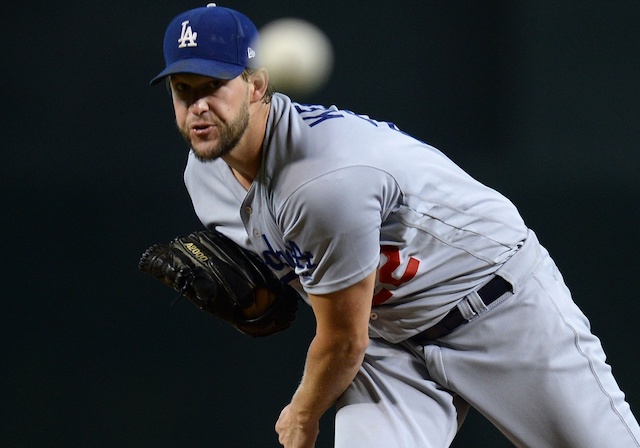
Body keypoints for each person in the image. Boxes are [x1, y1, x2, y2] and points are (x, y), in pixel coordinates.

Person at [150, 4, 640, 448]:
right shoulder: (205, 179)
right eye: (183, 89)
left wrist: (303, 415)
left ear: (256, 87)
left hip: (495, 307)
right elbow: (296, 292)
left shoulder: (324, 179)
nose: (198, 106)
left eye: (214, 86)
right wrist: (257, 302)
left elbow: (342, 340)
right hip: (386, 342)